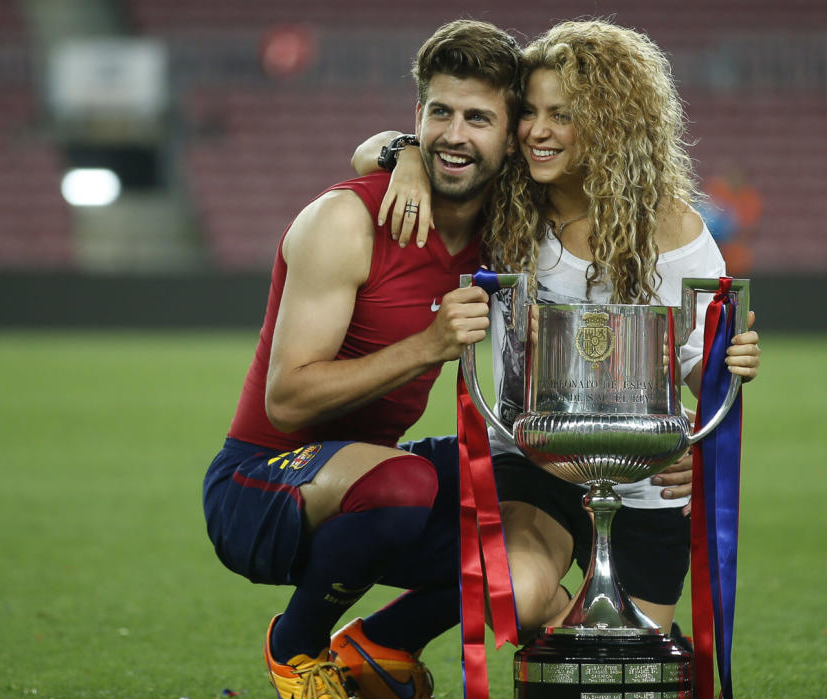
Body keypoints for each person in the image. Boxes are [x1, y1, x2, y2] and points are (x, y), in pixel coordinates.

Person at [352, 19, 761, 638]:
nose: (538, 131)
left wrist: (722, 382)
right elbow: (370, 151)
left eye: (562, 115)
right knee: (513, 598)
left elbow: (698, 365)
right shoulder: (506, 200)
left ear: (612, 123)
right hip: (532, 457)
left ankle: (610, 643)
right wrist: (406, 155)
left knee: (629, 657)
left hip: (642, 474)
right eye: (531, 112)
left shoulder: (676, 233)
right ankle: (405, 639)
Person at [201, 20, 521, 699]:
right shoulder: (347, 222)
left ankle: (381, 644)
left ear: (512, 133)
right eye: (439, 113)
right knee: (404, 482)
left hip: (372, 482)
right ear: (417, 116)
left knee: (533, 501)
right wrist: (430, 347)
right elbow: (286, 399)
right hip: (259, 487)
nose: (455, 133)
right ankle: (296, 649)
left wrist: (714, 350)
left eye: (478, 117)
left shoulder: (504, 230)